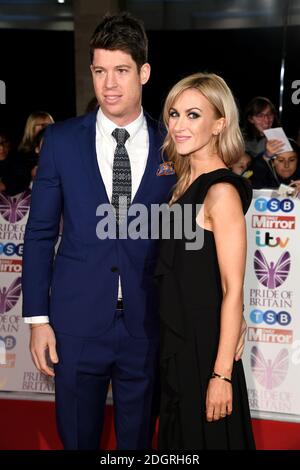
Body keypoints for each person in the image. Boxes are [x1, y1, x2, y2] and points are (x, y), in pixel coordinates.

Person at [22, 13, 246, 450]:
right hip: (75, 323)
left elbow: (210, 238)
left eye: (121, 70)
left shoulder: (176, 145)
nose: (109, 84)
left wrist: (236, 317)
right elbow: (39, 234)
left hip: (150, 326)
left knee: (139, 444)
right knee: (77, 440)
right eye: (100, 71)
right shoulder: (62, 142)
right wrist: (37, 319)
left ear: (143, 72)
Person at [155, 73, 255, 450]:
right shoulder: (179, 186)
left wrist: (222, 375)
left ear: (219, 123)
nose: (179, 125)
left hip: (205, 350)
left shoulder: (221, 192)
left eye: (193, 115)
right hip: (175, 345)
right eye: (175, 114)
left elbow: (232, 291)